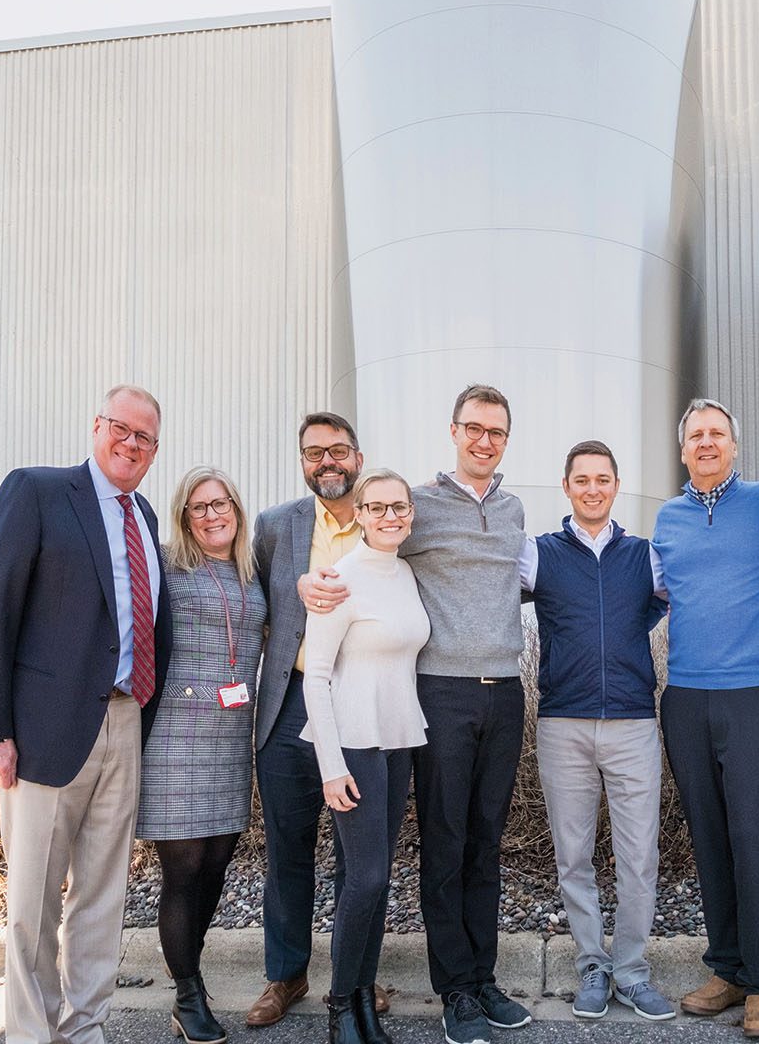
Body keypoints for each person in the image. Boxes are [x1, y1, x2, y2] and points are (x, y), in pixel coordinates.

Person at [303, 383, 532, 1044]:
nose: (484, 440)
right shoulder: (420, 507)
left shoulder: (515, 509)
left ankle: (482, 978)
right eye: (474, 428)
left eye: (496, 431)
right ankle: (453, 988)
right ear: (454, 431)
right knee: (447, 841)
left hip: (505, 694)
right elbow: (363, 547)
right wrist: (309, 581)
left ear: (506, 439)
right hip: (442, 694)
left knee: (486, 842)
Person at [0, 384, 172, 1044]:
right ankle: (30, 1032)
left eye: (145, 438)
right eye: (121, 428)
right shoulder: (38, 492)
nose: (130, 444)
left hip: (124, 722)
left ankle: (86, 1029)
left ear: (154, 451)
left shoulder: (147, 520)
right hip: (44, 732)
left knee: (103, 900)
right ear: (96, 425)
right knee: (31, 902)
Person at [520, 441, 674, 1022]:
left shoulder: (646, 556)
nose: (592, 488)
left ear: (616, 485)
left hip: (634, 722)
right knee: (573, 855)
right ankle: (592, 964)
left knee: (639, 858)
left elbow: (665, 605)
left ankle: (632, 970)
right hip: (563, 723)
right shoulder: (538, 555)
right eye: (581, 479)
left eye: (602, 479)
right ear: (566, 487)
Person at [652, 398, 759, 1040]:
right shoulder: (668, 519)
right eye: (696, 436)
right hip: (684, 697)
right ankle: (727, 967)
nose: (706, 443)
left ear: (735, 446)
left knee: (753, 836)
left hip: (754, 694)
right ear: (682, 450)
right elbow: (649, 602)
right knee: (707, 835)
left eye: (718, 435)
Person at [136, 466, 267, 1044]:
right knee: (183, 867)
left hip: (233, 730)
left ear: (237, 509)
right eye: (199, 507)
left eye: (221, 504)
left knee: (217, 860)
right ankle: (187, 994)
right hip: (176, 731)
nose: (212, 515)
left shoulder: (254, 568)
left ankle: (192, 969)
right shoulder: (165, 566)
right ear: (184, 518)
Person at [247, 412, 370, 1028]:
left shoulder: (388, 519)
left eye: (339, 450)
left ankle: (356, 980)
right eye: (314, 452)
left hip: (363, 704)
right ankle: (286, 974)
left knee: (360, 854)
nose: (328, 461)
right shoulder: (274, 528)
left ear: (359, 457)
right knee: (288, 848)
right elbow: (253, 609)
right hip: (292, 701)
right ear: (302, 460)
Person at [302, 469, 432, 1044]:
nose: (389, 517)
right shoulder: (339, 578)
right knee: (367, 877)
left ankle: (363, 1002)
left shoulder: (404, 571)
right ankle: (339, 1009)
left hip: (397, 737)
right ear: (359, 513)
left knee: (374, 881)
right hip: (352, 742)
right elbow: (317, 678)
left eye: (398, 507)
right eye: (376, 507)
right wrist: (331, 766)